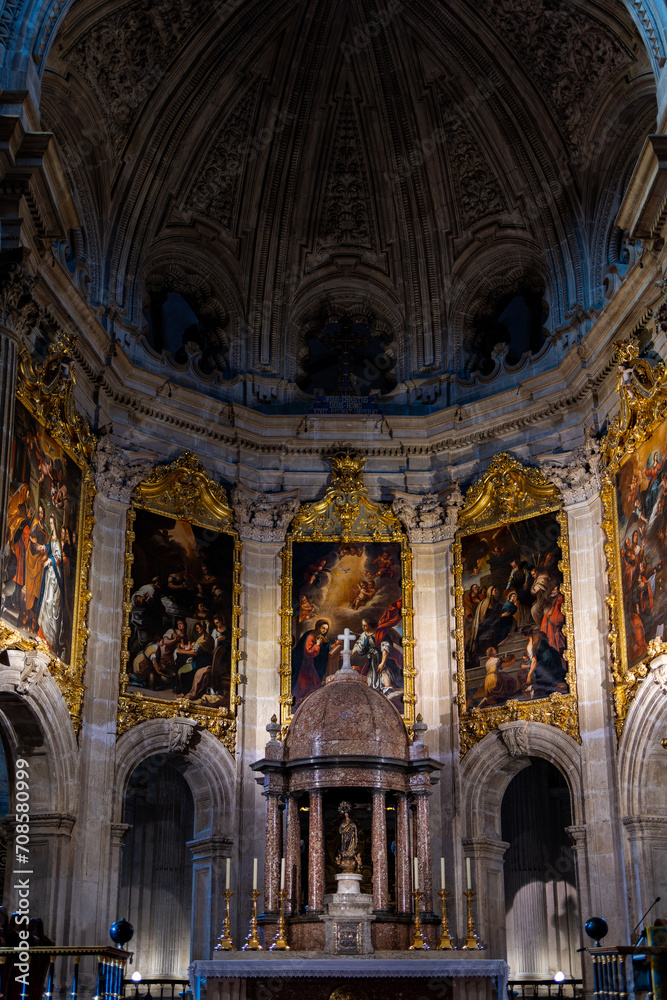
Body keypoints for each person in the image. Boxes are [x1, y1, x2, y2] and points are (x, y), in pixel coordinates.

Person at [291, 619, 342, 701]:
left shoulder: (321, 637)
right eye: (323, 628)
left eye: (326, 629)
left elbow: (325, 646)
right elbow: (309, 652)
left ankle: (309, 700)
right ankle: (301, 701)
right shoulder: (311, 636)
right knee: (305, 686)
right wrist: (317, 644)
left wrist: (334, 644)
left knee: (314, 685)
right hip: (306, 665)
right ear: (318, 627)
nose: (324, 631)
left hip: (312, 664)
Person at [37, 514, 66, 655]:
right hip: (49, 575)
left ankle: (50, 638)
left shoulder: (58, 541)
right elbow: (48, 548)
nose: (51, 525)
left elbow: (59, 557)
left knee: (51, 603)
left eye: (52, 523)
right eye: (50, 523)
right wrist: (41, 547)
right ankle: (42, 633)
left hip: (55, 575)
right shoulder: (52, 539)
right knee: (45, 602)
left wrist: (50, 561)